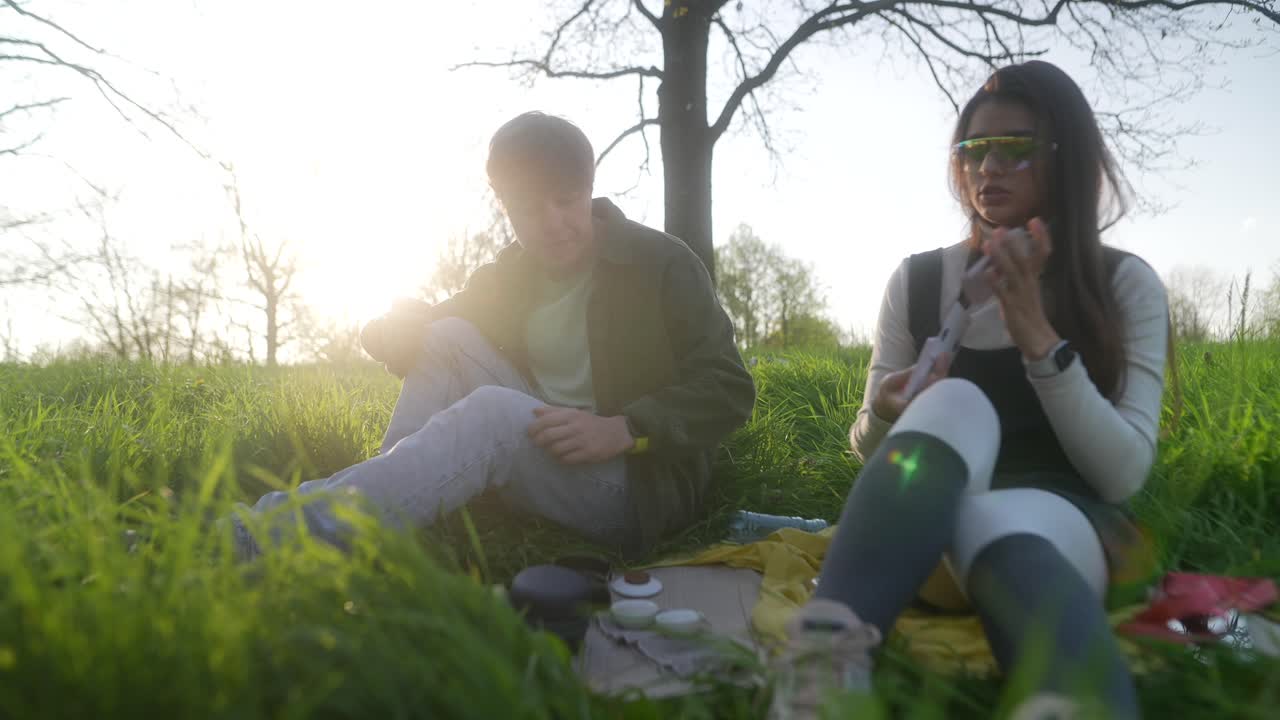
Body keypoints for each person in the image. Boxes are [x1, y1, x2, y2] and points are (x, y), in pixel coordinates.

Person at [769, 61, 1172, 720]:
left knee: (996, 515)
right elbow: (870, 451)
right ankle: (822, 671)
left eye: (1016, 148)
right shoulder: (920, 282)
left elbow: (1122, 475)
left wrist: (1039, 340)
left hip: (1055, 537)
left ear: (1069, 160)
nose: (989, 166)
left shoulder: (1122, 285)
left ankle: (1066, 704)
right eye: (974, 149)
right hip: (916, 540)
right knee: (955, 403)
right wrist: (887, 414)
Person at [229, 111, 756, 560]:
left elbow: (730, 385)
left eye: (567, 200)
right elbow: (437, 324)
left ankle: (256, 539)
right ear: (505, 208)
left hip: (638, 484)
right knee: (446, 334)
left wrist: (628, 427)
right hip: (552, 445)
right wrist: (393, 330)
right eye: (528, 209)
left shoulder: (661, 263)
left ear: (590, 190)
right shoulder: (513, 272)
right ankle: (387, 507)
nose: (552, 223)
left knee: (492, 414)